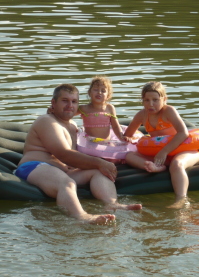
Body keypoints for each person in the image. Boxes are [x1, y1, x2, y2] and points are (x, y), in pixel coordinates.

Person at [16, 84, 142, 224]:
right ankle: (81, 216)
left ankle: (112, 204)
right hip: (34, 167)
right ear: (53, 103)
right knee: (67, 182)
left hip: (62, 171)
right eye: (65, 100)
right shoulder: (47, 121)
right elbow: (64, 154)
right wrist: (99, 162)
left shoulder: (73, 126)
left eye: (74, 101)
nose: (70, 105)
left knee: (99, 171)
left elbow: (80, 152)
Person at [123, 81, 199, 207]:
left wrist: (164, 151)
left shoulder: (169, 111)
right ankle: (153, 167)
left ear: (164, 99)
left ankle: (181, 200)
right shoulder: (142, 115)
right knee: (129, 156)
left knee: (177, 164)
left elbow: (183, 133)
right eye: (146, 100)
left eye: (155, 100)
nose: (151, 104)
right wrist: (128, 138)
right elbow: (128, 134)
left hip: (182, 151)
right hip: (161, 157)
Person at [78, 75, 127, 141]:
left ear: (108, 95)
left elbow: (115, 126)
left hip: (106, 143)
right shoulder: (84, 108)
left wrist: (121, 137)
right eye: (95, 90)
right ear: (89, 93)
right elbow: (68, 115)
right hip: (89, 143)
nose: (99, 92)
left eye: (103, 91)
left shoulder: (110, 108)